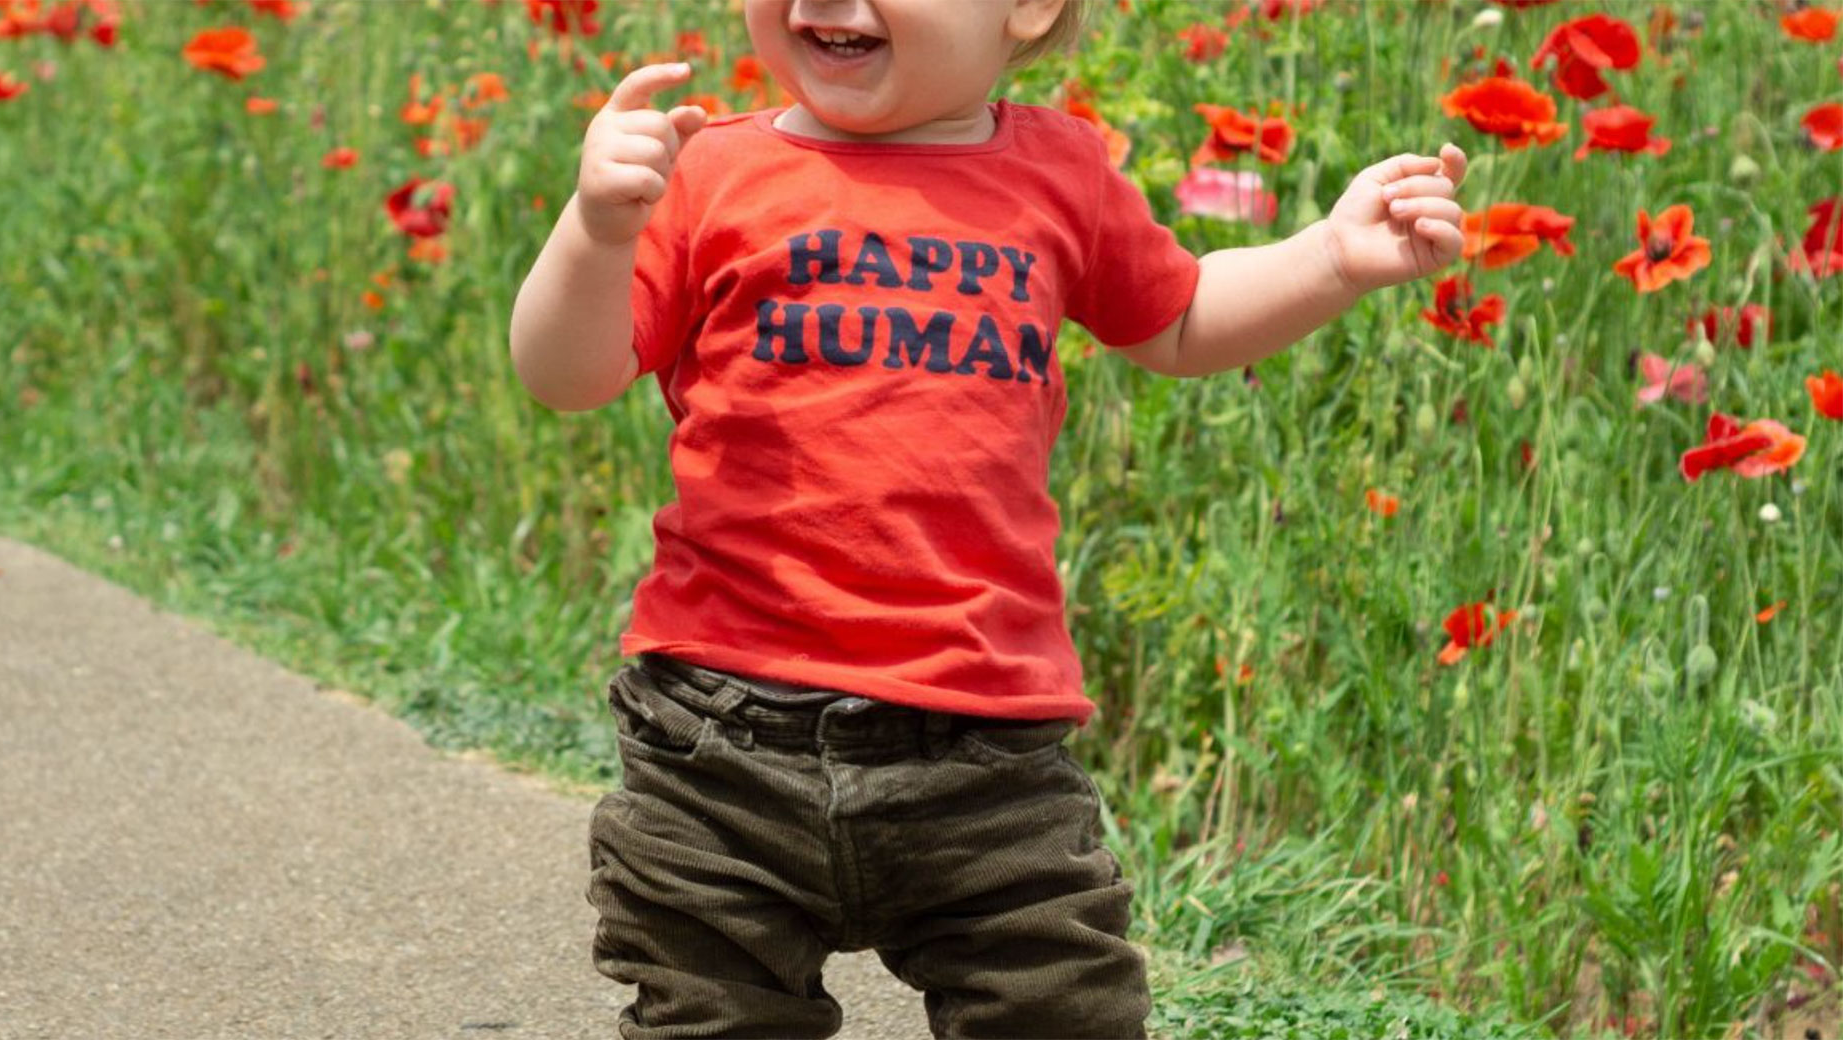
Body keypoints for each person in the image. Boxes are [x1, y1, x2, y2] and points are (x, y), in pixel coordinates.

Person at [509, 1, 1467, 1036]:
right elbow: (567, 373)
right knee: (710, 1011)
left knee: (1062, 1005)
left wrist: (1328, 256)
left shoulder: (1059, 169)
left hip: (983, 744)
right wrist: (596, 229)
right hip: (722, 738)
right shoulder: (709, 172)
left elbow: (1179, 318)